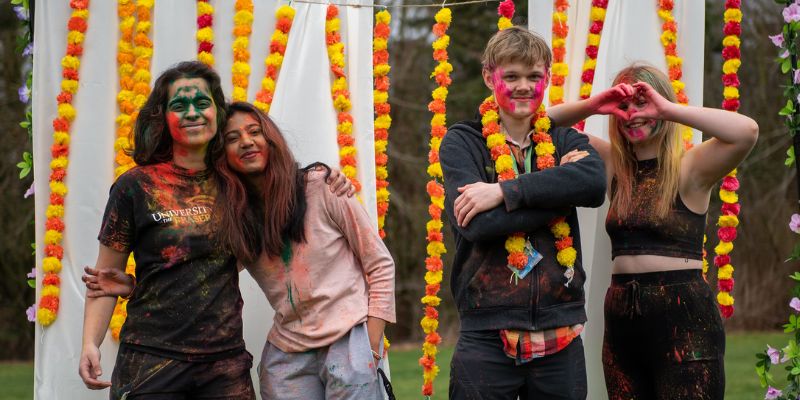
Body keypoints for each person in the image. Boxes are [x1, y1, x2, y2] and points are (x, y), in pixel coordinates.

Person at [85, 101, 395, 400]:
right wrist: (136, 286)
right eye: (233, 138)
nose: (246, 142)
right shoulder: (234, 218)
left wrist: (369, 344)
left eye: (254, 132)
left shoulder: (322, 187)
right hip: (288, 357)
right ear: (223, 155)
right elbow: (205, 278)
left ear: (270, 139)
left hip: (349, 341)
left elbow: (379, 264)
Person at [548, 64, 759, 399]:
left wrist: (668, 109)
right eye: (625, 107)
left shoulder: (690, 167)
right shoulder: (612, 164)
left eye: (643, 104)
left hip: (684, 321)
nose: (633, 115)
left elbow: (746, 131)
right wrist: (595, 104)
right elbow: (539, 127)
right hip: (621, 323)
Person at [439, 26, 606, 399]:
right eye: (511, 76)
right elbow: (479, 224)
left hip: (559, 333)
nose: (523, 86)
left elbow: (593, 185)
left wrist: (503, 191)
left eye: (534, 76)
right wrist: (561, 193)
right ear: (489, 76)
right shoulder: (463, 142)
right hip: (486, 333)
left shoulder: (563, 138)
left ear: (546, 77)